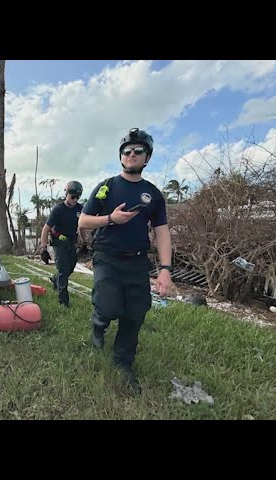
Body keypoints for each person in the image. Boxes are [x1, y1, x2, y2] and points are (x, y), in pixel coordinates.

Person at [78, 128, 174, 393]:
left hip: (137, 262)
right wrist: (110, 218)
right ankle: (98, 324)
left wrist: (165, 269)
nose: (132, 154)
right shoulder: (106, 187)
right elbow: (83, 221)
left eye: (138, 151)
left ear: (147, 157)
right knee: (109, 307)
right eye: (127, 151)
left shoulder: (153, 194)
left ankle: (123, 362)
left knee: (135, 314)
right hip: (107, 257)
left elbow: (162, 231)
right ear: (121, 157)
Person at [39, 181, 88, 308]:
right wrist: (44, 249)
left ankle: (55, 279)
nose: (75, 200)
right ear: (66, 194)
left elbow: (82, 226)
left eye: (78, 197)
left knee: (70, 267)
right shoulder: (58, 210)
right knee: (63, 269)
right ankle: (63, 301)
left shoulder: (80, 209)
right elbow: (45, 229)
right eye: (73, 196)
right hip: (58, 242)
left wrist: (85, 242)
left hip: (71, 241)